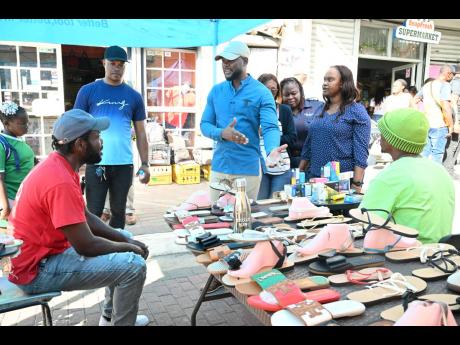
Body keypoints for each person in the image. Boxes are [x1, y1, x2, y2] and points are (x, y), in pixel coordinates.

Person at [7, 109, 150, 326]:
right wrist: (129, 247)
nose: (101, 141)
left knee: (123, 235)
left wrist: (126, 241)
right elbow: (86, 245)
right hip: (36, 271)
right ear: (80, 145)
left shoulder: (61, 166)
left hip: (43, 256)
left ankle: (109, 318)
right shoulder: (60, 180)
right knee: (133, 265)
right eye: (96, 137)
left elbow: (84, 216)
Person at [74, 46, 150, 229]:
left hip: (124, 164)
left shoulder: (133, 96)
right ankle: (94, 253)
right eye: (112, 63)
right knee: (93, 212)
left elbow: (141, 132)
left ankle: (117, 252)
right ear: (104, 63)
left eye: (121, 64)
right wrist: (74, 162)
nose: (116, 68)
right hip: (96, 162)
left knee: (118, 212)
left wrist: (145, 164)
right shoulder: (88, 91)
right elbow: (76, 125)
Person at [200, 41, 286, 202]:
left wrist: (272, 149)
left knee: (243, 221)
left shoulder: (262, 93)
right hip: (219, 167)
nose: (225, 65)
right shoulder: (216, 91)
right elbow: (205, 124)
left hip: (247, 170)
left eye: (230, 60)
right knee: (216, 219)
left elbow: (270, 127)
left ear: (245, 62)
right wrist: (222, 133)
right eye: (223, 61)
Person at [359, 108, 455, 244]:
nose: (380, 137)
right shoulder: (440, 170)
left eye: (384, 133)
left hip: (407, 256)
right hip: (441, 255)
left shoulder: (391, 176)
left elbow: (366, 222)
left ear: (393, 140)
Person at [299, 65, 371, 193]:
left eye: (330, 80)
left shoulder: (357, 111)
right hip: (314, 180)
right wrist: (299, 174)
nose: (325, 84)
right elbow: (309, 145)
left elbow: (361, 151)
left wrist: (357, 184)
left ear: (343, 83)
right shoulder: (321, 109)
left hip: (341, 184)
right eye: (324, 80)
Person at [256, 74, 297, 200]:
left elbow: (292, 137)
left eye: (274, 90)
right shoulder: (252, 110)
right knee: (258, 206)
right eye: (266, 89)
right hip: (258, 168)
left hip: (281, 166)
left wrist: (270, 135)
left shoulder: (284, 110)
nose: (270, 92)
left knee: (276, 206)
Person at [0, 102, 34, 220]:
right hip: (9, 200)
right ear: (6, 124)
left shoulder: (19, 141)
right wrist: (5, 208)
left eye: (27, 122)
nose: (27, 126)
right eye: (22, 123)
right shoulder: (2, 144)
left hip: (23, 198)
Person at [416, 64, 456, 164]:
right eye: (452, 75)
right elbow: (446, 107)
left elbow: (414, 100)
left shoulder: (427, 85)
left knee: (424, 152)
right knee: (437, 153)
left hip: (427, 124)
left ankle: (420, 174)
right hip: (439, 125)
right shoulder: (445, 85)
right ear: (448, 74)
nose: (452, 77)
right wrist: (451, 126)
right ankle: (434, 177)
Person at [280, 77, 324, 168]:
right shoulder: (278, 111)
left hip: (311, 161)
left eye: (294, 93)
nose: (290, 97)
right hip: (285, 160)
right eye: (286, 95)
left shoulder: (317, 106)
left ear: (301, 92)